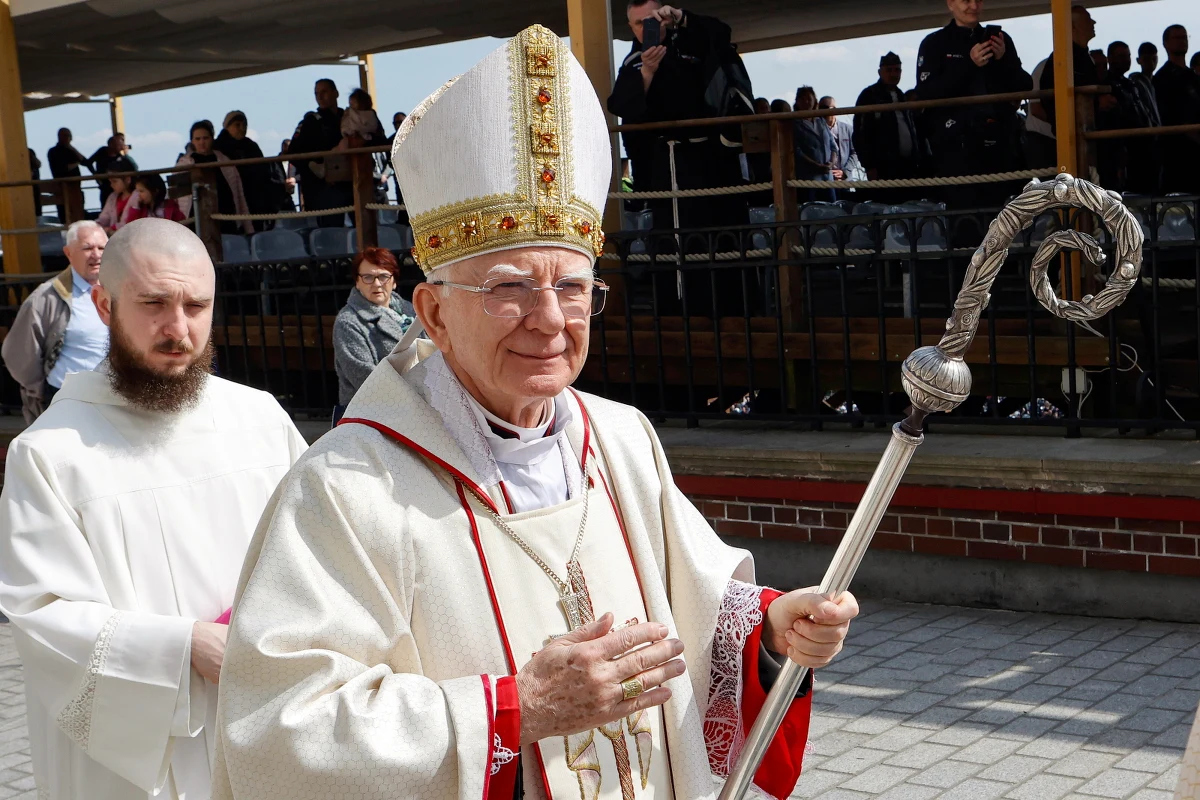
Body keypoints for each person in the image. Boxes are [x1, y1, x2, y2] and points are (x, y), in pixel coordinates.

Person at [213, 26, 858, 800]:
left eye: (575, 287)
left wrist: (768, 629)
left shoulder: (620, 438)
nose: (550, 319)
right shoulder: (345, 489)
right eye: (510, 286)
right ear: (434, 311)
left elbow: (696, 593)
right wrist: (514, 710)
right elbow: (276, 730)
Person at [0, 218, 308, 800]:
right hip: (132, 764)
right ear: (104, 303)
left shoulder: (262, 420)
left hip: (263, 720)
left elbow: (323, 544)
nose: (179, 329)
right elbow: (40, 614)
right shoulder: (49, 454)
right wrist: (183, 647)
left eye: (196, 306)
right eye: (154, 304)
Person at [607, 0, 747, 232]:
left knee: (720, 227)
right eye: (639, 23)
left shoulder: (692, 44)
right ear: (631, 27)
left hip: (709, 157)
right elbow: (619, 106)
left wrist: (682, 18)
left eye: (651, 20)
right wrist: (646, 73)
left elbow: (722, 34)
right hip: (659, 163)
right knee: (670, 233)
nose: (645, 28)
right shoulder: (633, 63)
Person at [915, 0, 1032, 213]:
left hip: (1001, 145)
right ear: (951, 4)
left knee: (1004, 222)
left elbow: (1025, 86)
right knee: (964, 222)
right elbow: (926, 93)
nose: (973, 6)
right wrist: (968, 64)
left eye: (978, 0)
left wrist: (1004, 59)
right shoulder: (935, 43)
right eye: (966, 0)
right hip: (956, 149)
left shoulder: (1000, 41)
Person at [1, 221, 109, 423]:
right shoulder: (47, 297)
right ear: (68, 253)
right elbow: (16, 352)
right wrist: (41, 389)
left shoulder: (120, 290)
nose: (96, 254)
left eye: (102, 247)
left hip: (115, 398)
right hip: (67, 401)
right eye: (87, 248)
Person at [332, 247, 415, 409]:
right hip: (374, 413)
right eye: (368, 277)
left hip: (419, 404)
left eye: (383, 276)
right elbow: (365, 377)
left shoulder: (411, 310)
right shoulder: (348, 322)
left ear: (394, 281)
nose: (376, 284)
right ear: (357, 282)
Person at [853, 52, 923, 203]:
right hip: (883, 167)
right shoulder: (869, 96)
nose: (893, 74)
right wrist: (869, 165)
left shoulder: (901, 96)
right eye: (889, 70)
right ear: (880, 72)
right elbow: (860, 133)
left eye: (897, 70)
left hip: (907, 166)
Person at [288, 78, 352, 227]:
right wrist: (312, 166)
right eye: (316, 93)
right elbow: (293, 152)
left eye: (324, 92)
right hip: (323, 189)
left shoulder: (348, 118)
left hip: (349, 183)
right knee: (332, 232)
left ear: (335, 93)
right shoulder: (311, 121)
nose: (320, 97)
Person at [176, 121, 254, 236]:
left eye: (205, 138)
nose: (202, 142)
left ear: (212, 139)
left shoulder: (225, 162)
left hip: (226, 220)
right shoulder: (183, 165)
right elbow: (175, 198)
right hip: (193, 222)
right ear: (192, 141)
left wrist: (249, 229)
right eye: (197, 139)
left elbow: (239, 196)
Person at [1100, 41, 1159, 192]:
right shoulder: (1106, 85)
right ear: (1110, 58)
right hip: (1122, 150)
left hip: (1143, 147)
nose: (1126, 60)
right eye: (1121, 56)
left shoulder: (1130, 84)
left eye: (1128, 56)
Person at [1153, 25, 1200, 192]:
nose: (1182, 41)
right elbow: (1169, 115)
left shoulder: (1192, 76)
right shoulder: (1162, 78)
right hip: (1178, 153)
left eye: (1185, 37)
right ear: (1165, 43)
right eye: (1177, 38)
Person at [214, 110, 279, 231]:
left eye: (244, 125)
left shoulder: (251, 146)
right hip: (231, 197)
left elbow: (263, 171)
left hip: (254, 196)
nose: (242, 128)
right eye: (237, 125)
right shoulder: (218, 148)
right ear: (227, 127)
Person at [793, 86, 836, 200]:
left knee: (832, 211)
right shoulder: (794, 124)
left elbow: (833, 146)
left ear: (814, 100)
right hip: (808, 179)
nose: (806, 102)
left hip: (827, 178)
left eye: (809, 98)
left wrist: (831, 163)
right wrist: (816, 166)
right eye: (802, 99)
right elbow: (797, 151)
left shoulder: (821, 121)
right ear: (797, 102)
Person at [86, 134, 138, 208]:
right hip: (104, 185)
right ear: (111, 145)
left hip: (117, 186)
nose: (121, 147)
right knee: (105, 205)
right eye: (119, 145)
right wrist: (95, 175)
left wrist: (126, 155)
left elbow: (134, 168)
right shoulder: (102, 151)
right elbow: (88, 162)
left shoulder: (120, 157)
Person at [47, 128, 87, 222]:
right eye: (64, 136)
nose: (67, 138)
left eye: (68, 136)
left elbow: (85, 162)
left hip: (76, 188)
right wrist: (76, 164)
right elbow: (61, 169)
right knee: (64, 214)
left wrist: (72, 149)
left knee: (78, 214)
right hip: (62, 187)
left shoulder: (71, 150)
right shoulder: (54, 151)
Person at [95, 156, 141, 233]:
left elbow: (130, 222)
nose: (111, 185)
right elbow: (104, 218)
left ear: (128, 179)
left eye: (115, 181)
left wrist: (111, 229)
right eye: (110, 181)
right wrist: (95, 225)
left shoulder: (137, 196)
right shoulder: (112, 197)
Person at [819, 96, 855, 182]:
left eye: (826, 108)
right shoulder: (815, 131)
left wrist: (845, 172)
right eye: (821, 108)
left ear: (835, 109)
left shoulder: (848, 129)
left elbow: (854, 152)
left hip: (845, 181)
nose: (823, 111)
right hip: (824, 181)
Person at [1131, 42, 1163, 128]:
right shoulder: (1136, 83)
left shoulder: (1160, 81)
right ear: (1138, 60)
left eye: (1154, 59)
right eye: (1147, 59)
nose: (1151, 62)